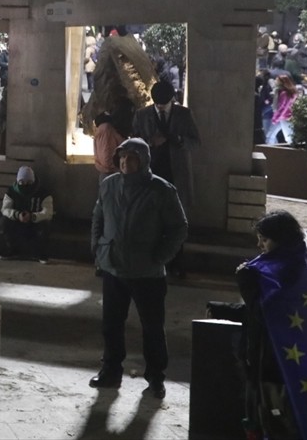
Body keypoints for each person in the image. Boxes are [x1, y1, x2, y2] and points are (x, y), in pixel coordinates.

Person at [89, 137, 188, 400]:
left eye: (131, 158)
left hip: (147, 273)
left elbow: (178, 227)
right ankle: (111, 370)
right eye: (121, 158)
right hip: (114, 269)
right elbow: (98, 217)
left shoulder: (161, 190)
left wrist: (161, 257)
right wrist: (99, 251)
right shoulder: (109, 185)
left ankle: (156, 377)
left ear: (143, 160)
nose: (124, 162)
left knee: (152, 327)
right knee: (111, 324)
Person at [233, 210, 307, 439]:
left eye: (265, 239)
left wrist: (245, 283)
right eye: (259, 239)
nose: (260, 245)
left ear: (283, 240)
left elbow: (268, 313)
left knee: (275, 419)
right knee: (255, 414)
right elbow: (258, 311)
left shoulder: (290, 273)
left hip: (277, 364)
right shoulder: (276, 267)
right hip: (260, 359)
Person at [132, 81, 200, 211]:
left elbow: (196, 142)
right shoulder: (142, 115)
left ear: (171, 99)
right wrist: (150, 142)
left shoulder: (184, 114)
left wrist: (179, 140)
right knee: (150, 209)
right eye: (157, 104)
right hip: (150, 170)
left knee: (175, 210)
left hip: (176, 172)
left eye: (164, 104)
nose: (160, 106)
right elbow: (134, 143)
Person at [0, 165, 53, 262]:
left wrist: (33, 216)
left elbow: (48, 212)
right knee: (4, 221)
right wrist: (17, 215)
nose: (25, 185)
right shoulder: (11, 192)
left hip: (35, 223)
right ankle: (12, 249)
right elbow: (5, 209)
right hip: (17, 221)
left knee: (45, 224)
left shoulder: (43, 192)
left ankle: (40, 253)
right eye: (22, 182)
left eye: (29, 182)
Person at [263, 74, 298, 145]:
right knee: (271, 135)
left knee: (288, 138)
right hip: (285, 117)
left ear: (281, 82)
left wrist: (276, 118)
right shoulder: (289, 92)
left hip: (284, 117)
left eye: (277, 80)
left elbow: (283, 107)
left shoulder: (284, 93)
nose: (275, 81)